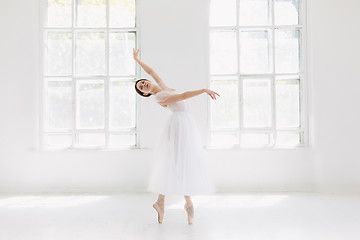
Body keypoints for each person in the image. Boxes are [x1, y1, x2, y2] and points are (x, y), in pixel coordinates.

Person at [133, 48, 220, 224]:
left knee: (182, 161)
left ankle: (164, 201)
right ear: (145, 94)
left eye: (143, 82)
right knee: (180, 161)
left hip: (185, 124)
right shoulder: (160, 96)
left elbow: (152, 72)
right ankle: (183, 202)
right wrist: (203, 90)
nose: (144, 85)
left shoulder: (163, 87)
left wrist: (137, 60)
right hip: (179, 126)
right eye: (142, 88)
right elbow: (183, 95)